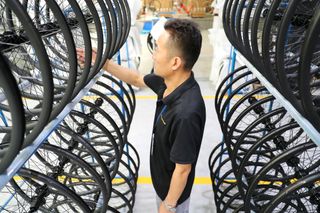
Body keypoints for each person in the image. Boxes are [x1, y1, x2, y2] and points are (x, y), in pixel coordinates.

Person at [77, 18, 206, 213]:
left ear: (175, 62)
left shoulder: (187, 112)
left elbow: (183, 169)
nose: (153, 54)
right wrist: (102, 63)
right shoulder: (169, 82)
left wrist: (168, 206)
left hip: (173, 195)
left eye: (158, 49)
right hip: (163, 183)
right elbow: (137, 79)